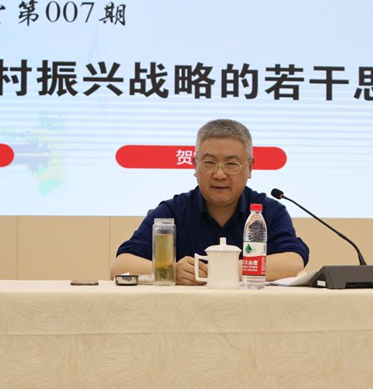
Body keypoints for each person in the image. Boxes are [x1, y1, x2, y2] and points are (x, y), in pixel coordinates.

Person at [111, 119, 309, 285]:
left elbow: (293, 261)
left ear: (250, 167)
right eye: (209, 163)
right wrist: (169, 271)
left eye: (231, 164)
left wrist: (225, 270)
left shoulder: (268, 211)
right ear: (195, 165)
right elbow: (120, 266)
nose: (219, 174)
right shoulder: (172, 211)